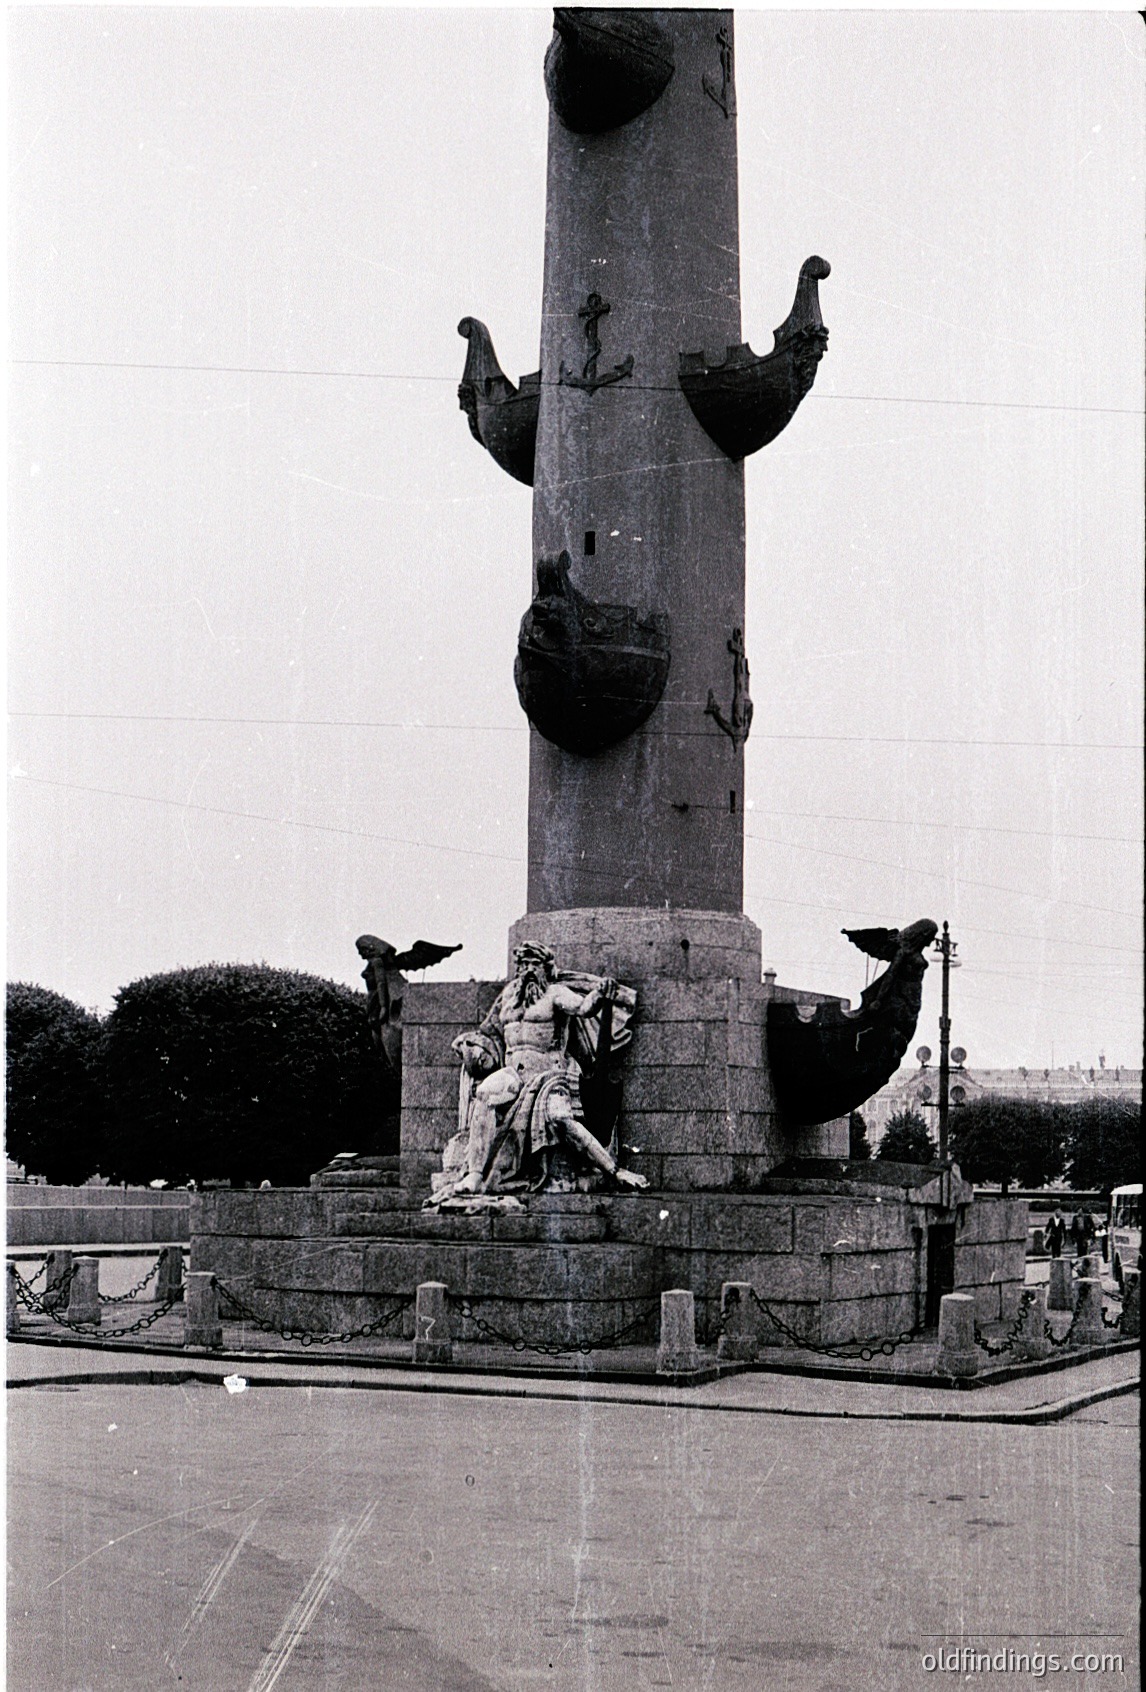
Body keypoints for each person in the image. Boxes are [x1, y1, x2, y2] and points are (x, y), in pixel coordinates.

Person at [427, 941, 648, 1205]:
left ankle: (613, 1170)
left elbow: (583, 1008)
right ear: (518, 969)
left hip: (549, 1075)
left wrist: (599, 994)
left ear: (546, 968)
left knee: (560, 1119)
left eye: (536, 965)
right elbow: (488, 1033)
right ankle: (474, 1175)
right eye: (524, 964)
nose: (530, 970)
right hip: (513, 1074)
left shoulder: (555, 993)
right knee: (485, 1092)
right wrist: (469, 1044)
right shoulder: (508, 997)